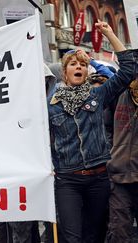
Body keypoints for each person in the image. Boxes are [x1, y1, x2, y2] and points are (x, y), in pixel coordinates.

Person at [48, 20, 136, 243]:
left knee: (94, 235)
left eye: (82, 65)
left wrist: (109, 33)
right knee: (72, 236)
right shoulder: (51, 103)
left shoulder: (98, 95)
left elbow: (128, 70)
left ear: (87, 71)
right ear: (65, 72)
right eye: (73, 64)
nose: (78, 67)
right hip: (67, 180)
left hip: (98, 177)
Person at [106, 77, 138, 242]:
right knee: (119, 232)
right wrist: (110, 153)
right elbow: (105, 127)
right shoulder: (118, 91)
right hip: (119, 176)